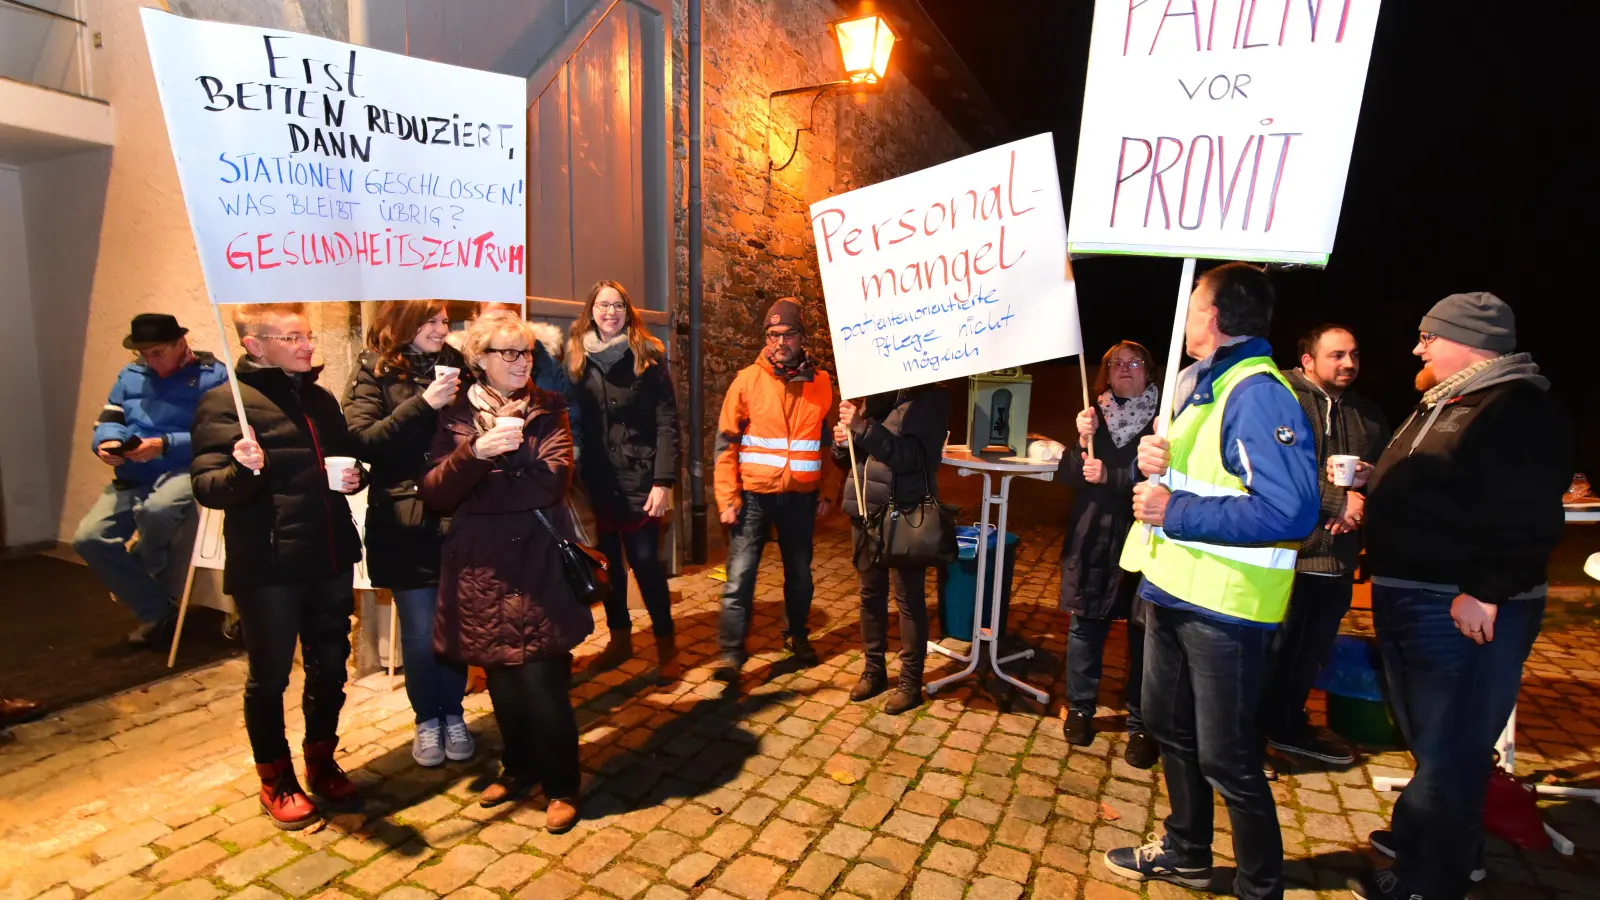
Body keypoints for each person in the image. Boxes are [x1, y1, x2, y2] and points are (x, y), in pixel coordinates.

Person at [1107, 262, 1320, 900]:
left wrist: (1176, 509)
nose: (1189, 314)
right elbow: (1202, 473)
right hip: (1172, 587)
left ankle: (1260, 886)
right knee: (1171, 731)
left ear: (1216, 317)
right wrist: (1157, 462)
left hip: (1225, 606)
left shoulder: (1258, 391)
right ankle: (1187, 851)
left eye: (1196, 302)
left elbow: (1291, 511)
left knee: (1227, 758)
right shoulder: (1202, 383)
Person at [1352, 293, 1570, 900]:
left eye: (1428, 336)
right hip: (1415, 595)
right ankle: (1449, 847)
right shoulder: (1448, 401)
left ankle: (1431, 880)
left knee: (1453, 747)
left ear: (1468, 340)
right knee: (1435, 742)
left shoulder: (1515, 406)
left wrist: (1486, 589)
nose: (1418, 347)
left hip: (1457, 605)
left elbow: (1525, 511)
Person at [191, 303, 365, 830]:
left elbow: (346, 462)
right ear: (255, 344)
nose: (308, 347)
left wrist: (357, 478)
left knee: (330, 667)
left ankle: (320, 759)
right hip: (268, 564)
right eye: (293, 338)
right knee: (268, 679)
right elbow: (208, 487)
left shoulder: (319, 399)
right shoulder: (225, 405)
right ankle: (276, 779)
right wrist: (244, 472)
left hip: (329, 552)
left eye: (307, 337)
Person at [420, 312, 591, 832]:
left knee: (541, 680)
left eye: (528, 352)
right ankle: (516, 768)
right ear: (479, 360)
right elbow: (434, 491)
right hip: (480, 568)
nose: (522, 362)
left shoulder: (550, 408)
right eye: (509, 353)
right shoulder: (451, 414)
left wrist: (477, 489)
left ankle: (561, 784)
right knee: (499, 677)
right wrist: (476, 454)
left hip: (536, 561)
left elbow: (550, 483)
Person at [344, 300, 473, 768]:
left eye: (444, 321)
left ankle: (454, 714)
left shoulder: (460, 368)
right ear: (404, 323)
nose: (442, 329)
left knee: (455, 625)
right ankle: (428, 720)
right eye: (431, 321)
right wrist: (424, 404)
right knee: (420, 632)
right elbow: (360, 439)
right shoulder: (373, 372)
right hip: (404, 516)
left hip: (457, 514)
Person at [1259, 325, 1389, 767]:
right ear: (1308, 360)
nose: (1349, 364)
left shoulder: (1367, 416)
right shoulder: (1283, 400)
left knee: (1309, 653)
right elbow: (1273, 471)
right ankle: (1246, 740)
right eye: (1336, 355)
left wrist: (1366, 492)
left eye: (1354, 354)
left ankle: (1286, 726)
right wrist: (1337, 498)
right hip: (1287, 555)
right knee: (1269, 651)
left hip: (1336, 558)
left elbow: (1380, 479)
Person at [74, 314, 228, 647]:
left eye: (157, 352)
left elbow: (221, 433)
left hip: (183, 468)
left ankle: (144, 570)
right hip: (133, 474)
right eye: (143, 354)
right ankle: (159, 610)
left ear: (181, 344)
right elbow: (110, 418)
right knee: (88, 538)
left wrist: (165, 444)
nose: (149, 360)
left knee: (159, 508)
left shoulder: (213, 378)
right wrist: (107, 444)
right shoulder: (130, 376)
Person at [712, 298, 839, 694]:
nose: (779, 342)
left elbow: (832, 445)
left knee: (799, 575)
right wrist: (726, 497)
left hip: (801, 497)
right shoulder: (747, 380)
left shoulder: (822, 384)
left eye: (787, 334)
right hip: (752, 496)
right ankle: (732, 655)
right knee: (739, 577)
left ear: (802, 337)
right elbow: (725, 443)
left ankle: (796, 635)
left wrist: (828, 490)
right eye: (773, 335)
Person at [566, 281, 681, 679]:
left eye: (617, 305)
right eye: (602, 305)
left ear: (627, 311)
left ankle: (666, 644)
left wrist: (663, 481)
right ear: (591, 311)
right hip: (598, 483)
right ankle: (620, 641)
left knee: (647, 563)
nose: (610, 312)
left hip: (641, 479)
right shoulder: (577, 358)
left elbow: (668, 422)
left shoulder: (646, 357)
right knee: (608, 565)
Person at [1058, 341, 1161, 769]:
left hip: (1142, 537)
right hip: (1093, 534)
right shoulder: (1091, 415)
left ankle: (1141, 723)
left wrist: (1111, 476)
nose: (1124, 369)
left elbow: (1160, 474)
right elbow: (1067, 474)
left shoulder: (1163, 419)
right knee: (1086, 625)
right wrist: (1081, 443)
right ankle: (1081, 708)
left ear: (1147, 370)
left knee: (1145, 634)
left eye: (1133, 362)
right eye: (1115, 364)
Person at [833, 386, 948, 715]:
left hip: (904, 513)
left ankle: (910, 681)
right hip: (866, 510)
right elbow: (850, 458)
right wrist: (842, 443)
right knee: (870, 595)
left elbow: (913, 458)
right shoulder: (876, 396)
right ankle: (874, 670)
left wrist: (862, 429)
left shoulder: (931, 398)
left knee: (908, 600)